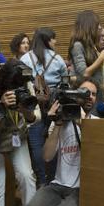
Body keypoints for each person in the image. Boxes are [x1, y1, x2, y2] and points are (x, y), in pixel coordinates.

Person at [25, 78, 98, 206]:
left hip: (81, 188)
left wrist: (84, 125)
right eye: (85, 92)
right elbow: (46, 157)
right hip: (59, 185)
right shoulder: (62, 122)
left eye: (93, 94)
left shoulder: (99, 123)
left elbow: (97, 158)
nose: (89, 96)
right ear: (74, 95)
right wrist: (57, 124)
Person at [0, 60, 40, 206]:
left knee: (27, 176)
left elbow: (35, 117)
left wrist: (26, 111)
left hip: (19, 136)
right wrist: (1, 104)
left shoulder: (26, 82)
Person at [20, 27, 67, 186]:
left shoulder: (25, 58)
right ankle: (53, 178)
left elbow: (20, 81)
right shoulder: (57, 59)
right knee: (54, 141)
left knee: (36, 144)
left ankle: (41, 180)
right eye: (54, 39)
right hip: (54, 105)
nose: (55, 42)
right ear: (48, 40)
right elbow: (65, 82)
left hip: (32, 105)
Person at [69, 10, 104, 108]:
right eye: (97, 24)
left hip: (97, 92)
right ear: (88, 26)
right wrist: (101, 58)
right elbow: (84, 73)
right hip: (86, 94)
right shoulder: (78, 45)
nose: (99, 27)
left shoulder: (92, 46)